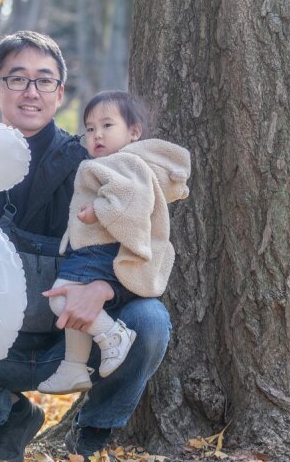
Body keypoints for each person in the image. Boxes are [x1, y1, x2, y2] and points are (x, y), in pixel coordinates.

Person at [0, 31, 173, 462]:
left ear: (60, 93)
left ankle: (92, 433)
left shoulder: (92, 165)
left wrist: (106, 289)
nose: (31, 92)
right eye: (17, 79)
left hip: (74, 342)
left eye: (44, 81)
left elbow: (143, 243)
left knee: (150, 321)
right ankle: (7, 419)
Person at [37, 91, 190, 395]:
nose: (97, 135)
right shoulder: (119, 162)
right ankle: (74, 366)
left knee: (61, 299)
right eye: (90, 128)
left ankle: (111, 336)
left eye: (107, 126)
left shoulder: (125, 163)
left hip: (99, 253)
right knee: (73, 305)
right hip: (91, 250)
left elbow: (133, 199)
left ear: (134, 132)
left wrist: (98, 210)